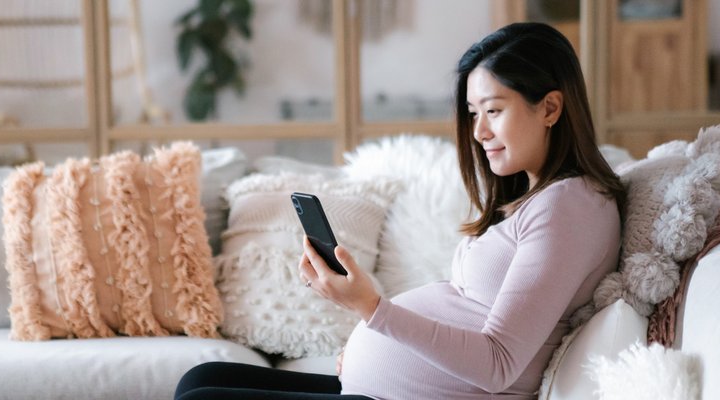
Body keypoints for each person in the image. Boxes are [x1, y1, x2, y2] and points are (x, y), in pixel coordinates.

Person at [174, 22, 624, 400]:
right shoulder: (531, 199)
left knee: (203, 397)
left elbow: (497, 364)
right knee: (201, 378)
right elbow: (466, 309)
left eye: (493, 110)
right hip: (375, 389)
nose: (479, 131)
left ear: (550, 107)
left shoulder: (570, 206)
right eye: (472, 113)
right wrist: (375, 333)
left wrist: (373, 310)